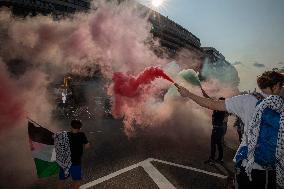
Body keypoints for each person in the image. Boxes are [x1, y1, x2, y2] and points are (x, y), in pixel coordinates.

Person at [176, 71, 284, 189]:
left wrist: (188, 94)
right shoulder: (281, 106)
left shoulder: (248, 100)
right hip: (273, 170)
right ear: (276, 85)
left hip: (249, 168)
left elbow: (212, 104)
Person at [57, 120, 90, 189]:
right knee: (77, 180)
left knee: (61, 180)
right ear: (80, 128)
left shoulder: (65, 135)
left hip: (65, 162)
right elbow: (87, 146)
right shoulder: (82, 135)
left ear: (71, 126)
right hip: (76, 162)